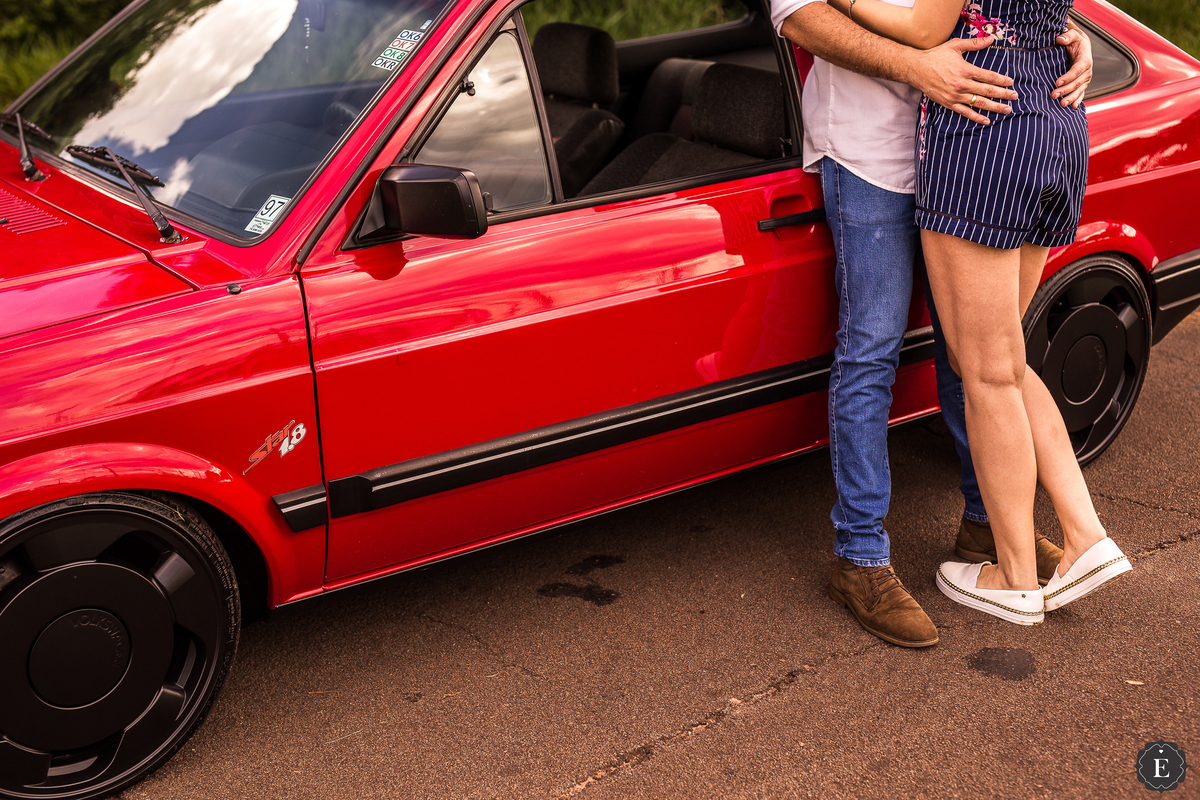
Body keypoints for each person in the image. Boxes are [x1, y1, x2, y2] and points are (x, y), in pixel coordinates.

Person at [770, 0, 1093, 644]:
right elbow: (801, 18)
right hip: (873, 156)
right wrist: (918, 67)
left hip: (976, 140)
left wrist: (1065, 37)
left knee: (977, 354)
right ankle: (861, 558)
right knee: (872, 348)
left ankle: (988, 526)